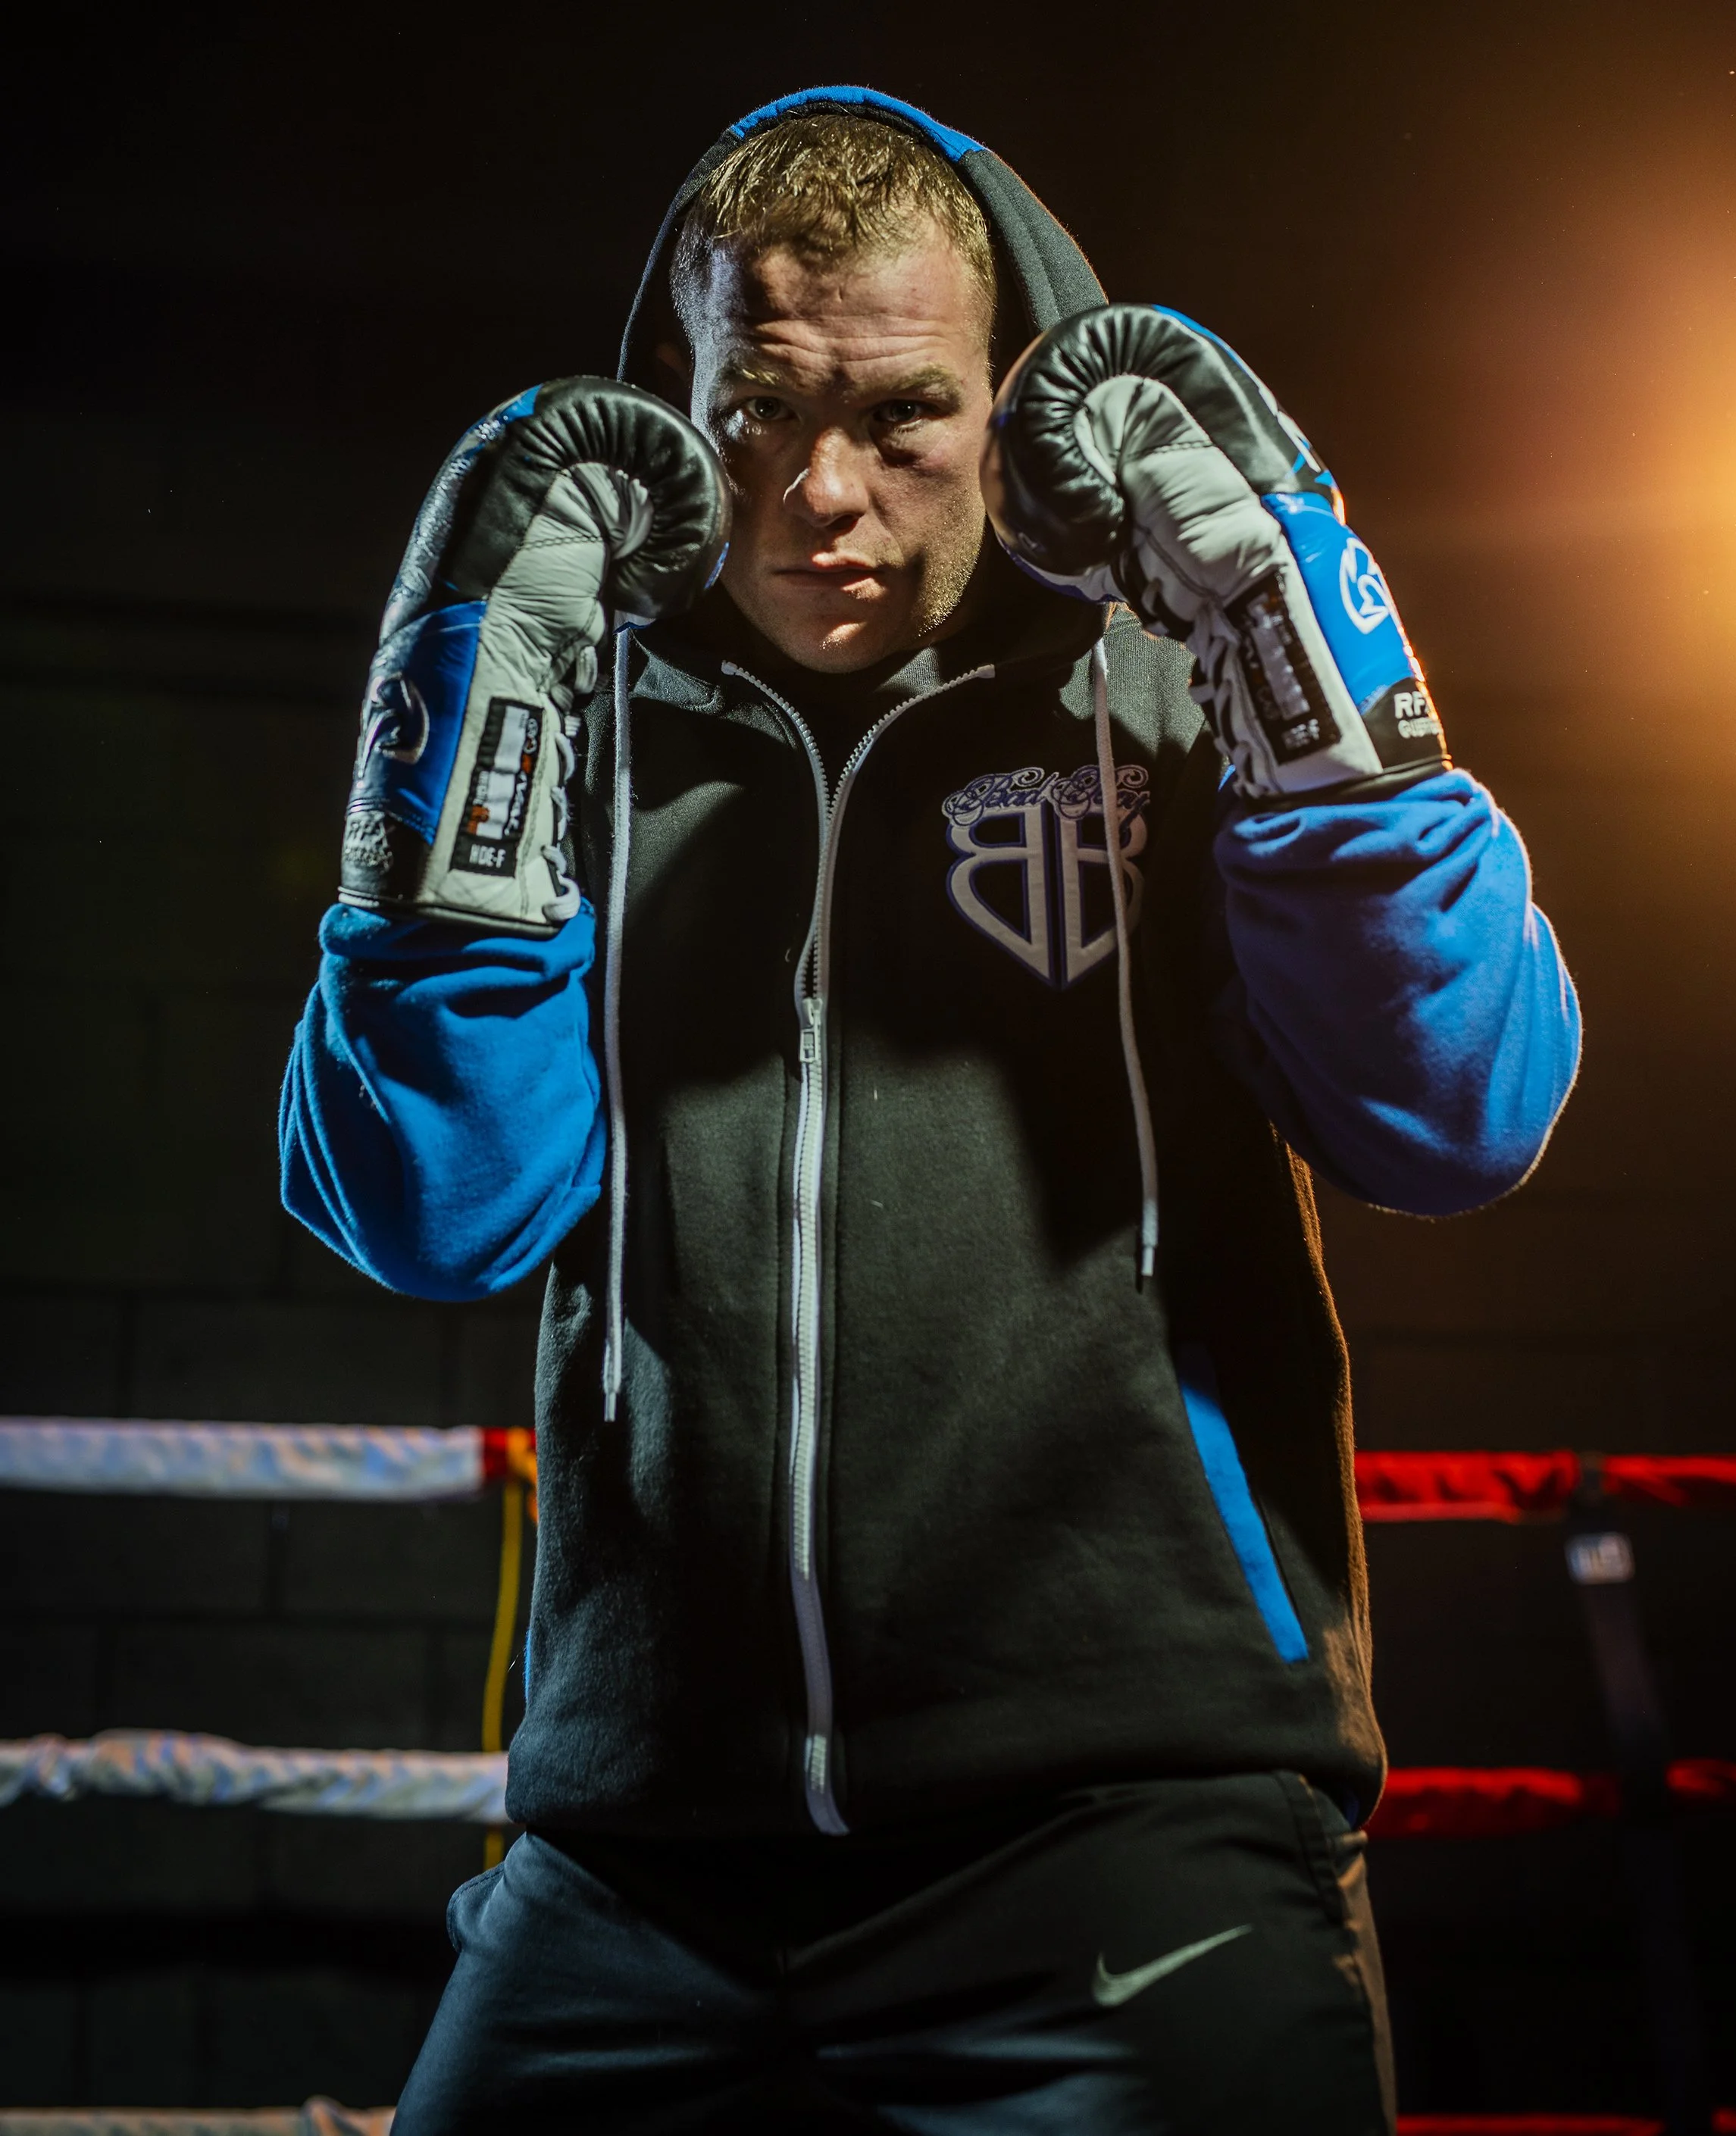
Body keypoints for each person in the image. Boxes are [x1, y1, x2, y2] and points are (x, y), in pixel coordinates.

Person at [282, 86, 1580, 2135]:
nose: (821, 490)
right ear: (673, 402)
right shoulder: (581, 732)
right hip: (648, 1849)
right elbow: (436, 1209)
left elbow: (1454, 1113)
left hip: (1130, 1823)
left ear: (1019, 406)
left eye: (902, 417)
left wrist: (1294, 635)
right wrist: (467, 743)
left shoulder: (1163, 694)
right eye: (756, 410)